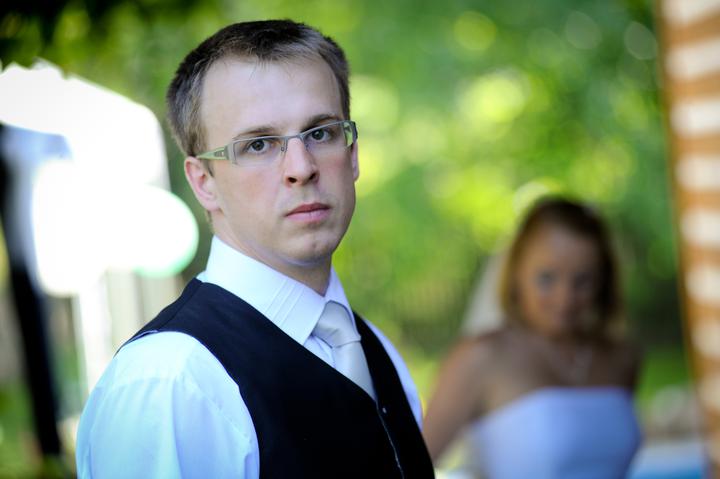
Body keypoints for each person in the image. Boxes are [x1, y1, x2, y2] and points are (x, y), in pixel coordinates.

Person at [75, 20, 434, 478]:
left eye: (320, 133)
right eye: (259, 144)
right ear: (203, 182)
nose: (301, 168)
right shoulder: (171, 382)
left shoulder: (376, 350)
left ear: (353, 154)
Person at [422, 197, 642, 478]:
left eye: (583, 280)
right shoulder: (482, 356)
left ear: (603, 282)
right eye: (546, 278)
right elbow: (410, 464)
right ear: (516, 273)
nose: (565, 299)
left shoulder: (622, 357)